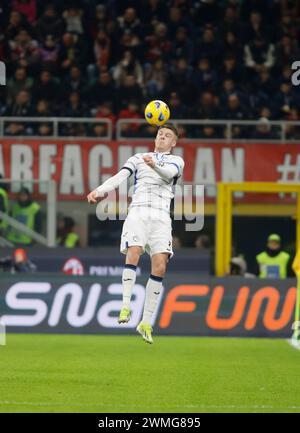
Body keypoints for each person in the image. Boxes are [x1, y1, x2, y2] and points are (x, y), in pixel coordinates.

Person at [87, 123, 184, 344]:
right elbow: (120, 177)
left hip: (161, 216)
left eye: (167, 135)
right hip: (139, 211)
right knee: (134, 251)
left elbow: (169, 175)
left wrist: (155, 166)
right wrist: (100, 191)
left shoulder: (177, 161)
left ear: (173, 143)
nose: (162, 137)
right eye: (160, 133)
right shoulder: (139, 157)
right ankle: (125, 306)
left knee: (160, 265)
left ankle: (146, 322)